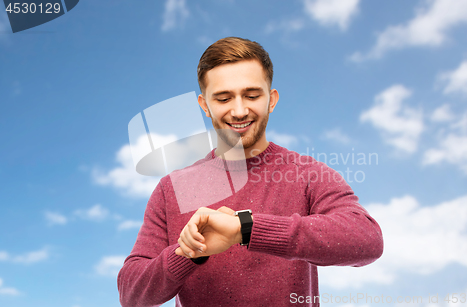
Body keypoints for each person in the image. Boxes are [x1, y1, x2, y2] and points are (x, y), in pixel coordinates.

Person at [117, 37, 383, 307]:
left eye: (252, 95)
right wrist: (187, 253)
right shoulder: (171, 189)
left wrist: (246, 229)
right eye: (223, 98)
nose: (240, 110)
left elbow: (367, 239)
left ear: (272, 99)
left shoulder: (308, 174)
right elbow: (131, 293)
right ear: (204, 105)